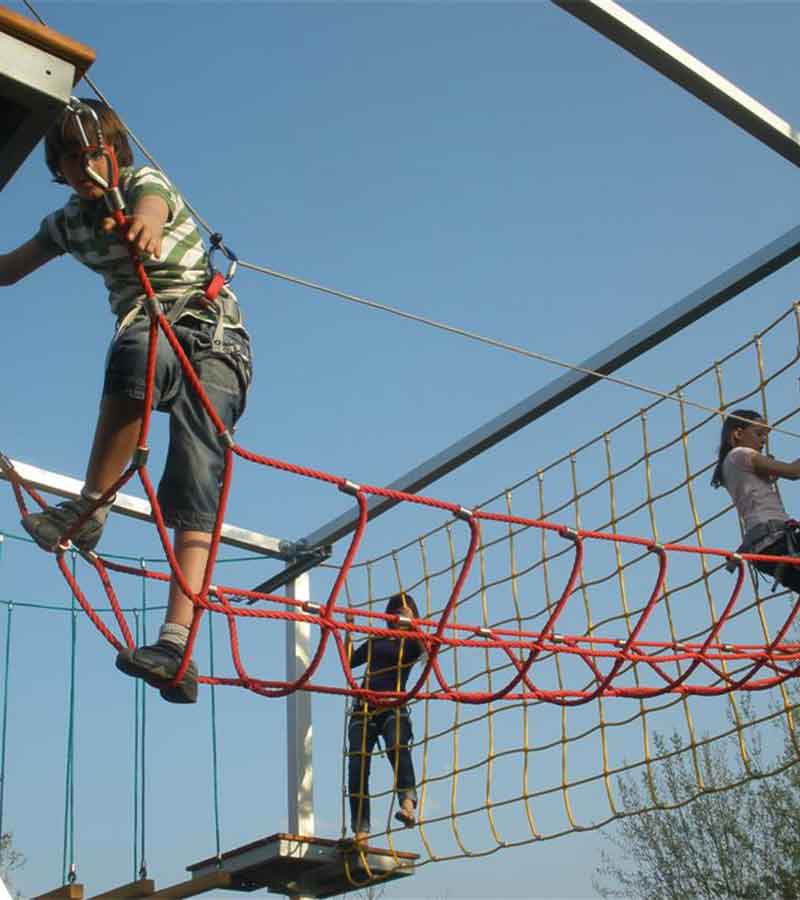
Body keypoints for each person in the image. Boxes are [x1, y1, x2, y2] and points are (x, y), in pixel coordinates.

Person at [0, 99, 252, 703]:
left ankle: (177, 646)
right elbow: (9, 270)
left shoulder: (144, 183)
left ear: (116, 153)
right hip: (152, 328)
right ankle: (92, 507)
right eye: (72, 160)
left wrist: (146, 225)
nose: (88, 168)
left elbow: (152, 207)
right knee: (136, 356)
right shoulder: (66, 223)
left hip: (212, 333)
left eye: (97, 155)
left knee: (196, 480)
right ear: (58, 169)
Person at [346, 592, 425, 844]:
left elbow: (431, 651)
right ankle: (360, 831)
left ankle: (408, 806)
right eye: (397, 612)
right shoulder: (377, 640)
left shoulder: (413, 642)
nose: (400, 615)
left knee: (397, 746)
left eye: (406, 611)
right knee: (357, 765)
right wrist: (347, 629)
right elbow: (350, 660)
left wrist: (414, 625)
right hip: (364, 706)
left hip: (394, 704)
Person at [711, 409, 800, 591]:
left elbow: (761, 482)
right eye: (759, 433)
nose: (764, 440)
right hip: (776, 541)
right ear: (738, 433)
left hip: (763, 549)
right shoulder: (740, 454)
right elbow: (793, 472)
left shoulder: (730, 465)